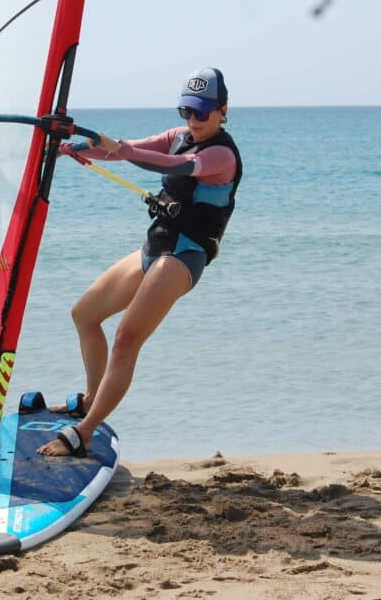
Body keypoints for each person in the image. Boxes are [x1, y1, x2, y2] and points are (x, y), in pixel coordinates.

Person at [37, 67, 243, 457]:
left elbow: (173, 166)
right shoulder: (178, 136)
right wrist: (71, 148)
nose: (193, 121)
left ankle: (84, 431)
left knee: (126, 339)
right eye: (187, 111)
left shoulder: (221, 154)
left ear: (222, 110)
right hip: (155, 246)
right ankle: (90, 398)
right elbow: (121, 148)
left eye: (202, 113)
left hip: (183, 257)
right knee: (84, 315)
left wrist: (126, 151)